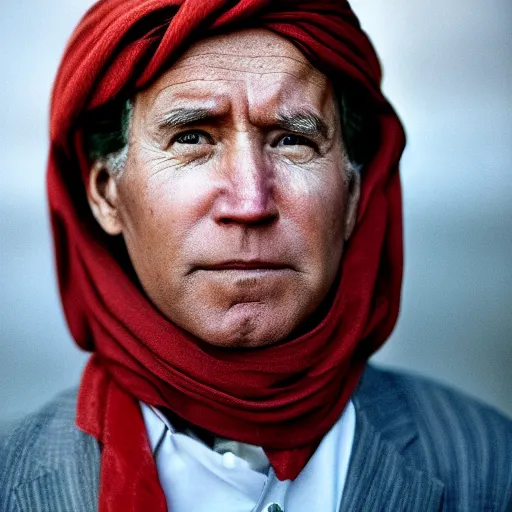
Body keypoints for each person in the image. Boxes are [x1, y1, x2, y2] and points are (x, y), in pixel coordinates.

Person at [1, 0, 511, 510]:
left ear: (353, 196)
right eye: (192, 137)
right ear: (107, 193)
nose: (250, 203)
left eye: (292, 140)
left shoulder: (490, 467)